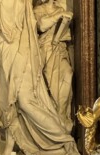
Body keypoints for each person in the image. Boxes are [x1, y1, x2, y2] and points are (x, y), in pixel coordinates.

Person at [0, 0, 80, 155]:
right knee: (9, 102)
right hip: (8, 52)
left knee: (25, 102)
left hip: (16, 53)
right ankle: (9, 150)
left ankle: (63, 140)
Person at [33, 0, 74, 132]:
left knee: (68, 73)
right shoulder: (38, 10)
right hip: (47, 49)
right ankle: (55, 116)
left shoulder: (60, 9)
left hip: (60, 48)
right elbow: (41, 26)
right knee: (52, 84)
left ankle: (62, 113)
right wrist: (58, 16)